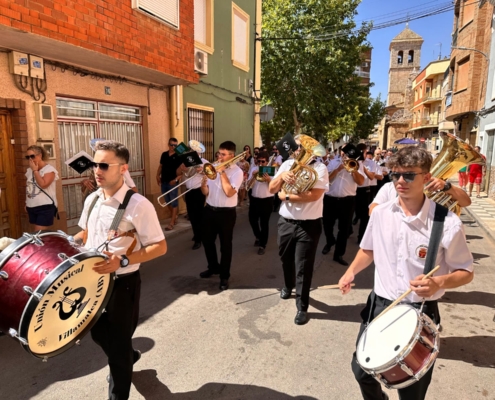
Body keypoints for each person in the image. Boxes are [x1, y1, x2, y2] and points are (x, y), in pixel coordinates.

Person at [339, 146, 473, 400]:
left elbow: (466, 271)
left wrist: (439, 282)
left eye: (409, 175)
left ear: (426, 177)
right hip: (380, 306)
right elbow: (369, 249)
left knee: (412, 391)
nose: (401, 181)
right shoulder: (379, 214)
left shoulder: (447, 222)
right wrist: (350, 272)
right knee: (362, 371)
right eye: (395, 175)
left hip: (420, 311)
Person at [74, 140, 167, 400]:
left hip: (122, 283)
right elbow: (86, 232)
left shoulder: (138, 204)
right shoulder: (92, 199)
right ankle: (128, 355)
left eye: (104, 165)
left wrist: (123, 260)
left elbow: (159, 246)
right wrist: (71, 241)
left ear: (123, 168)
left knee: (116, 348)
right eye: (95, 164)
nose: (97, 170)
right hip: (93, 281)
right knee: (96, 333)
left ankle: (120, 381)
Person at [269, 138, 329, 325]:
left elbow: (314, 195)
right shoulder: (286, 164)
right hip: (285, 222)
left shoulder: (319, 168)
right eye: (295, 148)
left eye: (298, 147)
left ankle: (302, 307)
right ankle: (288, 285)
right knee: (284, 257)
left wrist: (286, 195)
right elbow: (272, 188)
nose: (295, 150)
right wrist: (282, 176)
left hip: (308, 226)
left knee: (303, 267)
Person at [199, 141, 244, 291]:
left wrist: (222, 172)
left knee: (226, 246)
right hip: (210, 210)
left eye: (223, 154)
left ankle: (224, 276)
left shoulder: (237, 172)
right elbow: (206, 193)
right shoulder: (212, 168)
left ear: (232, 155)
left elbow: (230, 192)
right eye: (219, 153)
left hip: (226, 214)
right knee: (207, 241)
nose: (220, 157)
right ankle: (213, 267)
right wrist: (203, 184)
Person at [322, 144, 365, 266]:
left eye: (347, 153)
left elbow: (361, 182)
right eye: (343, 152)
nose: (344, 154)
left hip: (347, 200)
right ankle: (330, 241)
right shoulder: (333, 162)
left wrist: (353, 171)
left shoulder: (358, 164)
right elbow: (327, 180)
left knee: (344, 229)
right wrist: (338, 169)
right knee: (327, 224)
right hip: (330, 199)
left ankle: (338, 254)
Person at [369, 176, 471, 215]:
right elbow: (372, 210)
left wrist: (447, 186)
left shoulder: (436, 187)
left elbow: (466, 202)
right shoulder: (389, 187)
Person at [177, 152, 209, 250]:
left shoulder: (204, 162)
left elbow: (211, 174)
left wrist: (202, 171)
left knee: (198, 216)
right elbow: (178, 173)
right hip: (189, 191)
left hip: (199, 191)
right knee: (191, 215)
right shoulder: (185, 162)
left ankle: (199, 239)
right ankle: (197, 234)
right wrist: (181, 169)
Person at [25, 145, 59, 231]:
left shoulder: (49, 170)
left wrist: (35, 171)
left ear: (40, 155)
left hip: (45, 206)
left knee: (38, 234)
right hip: (32, 205)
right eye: (27, 157)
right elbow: (29, 187)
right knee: (37, 234)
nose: (30, 159)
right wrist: (26, 202)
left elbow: (43, 184)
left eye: (32, 156)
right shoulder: (29, 170)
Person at [246, 151, 273, 255]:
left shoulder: (272, 171)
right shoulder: (253, 169)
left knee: (264, 223)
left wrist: (268, 179)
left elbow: (274, 187)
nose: (260, 163)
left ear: (267, 161)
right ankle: (258, 236)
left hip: (267, 200)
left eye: (263, 161)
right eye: (258, 161)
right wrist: (252, 176)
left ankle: (262, 245)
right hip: (254, 199)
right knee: (252, 220)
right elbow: (248, 185)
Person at [156, 138, 183, 231]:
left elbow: (182, 172)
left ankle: (171, 223)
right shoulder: (164, 154)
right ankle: (174, 217)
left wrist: (175, 180)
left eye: (175, 145)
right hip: (164, 181)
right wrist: (157, 175)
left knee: (174, 202)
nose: (173, 147)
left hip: (173, 183)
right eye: (172, 145)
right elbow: (161, 166)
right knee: (167, 202)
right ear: (168, 144)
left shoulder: (179, 156)